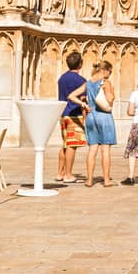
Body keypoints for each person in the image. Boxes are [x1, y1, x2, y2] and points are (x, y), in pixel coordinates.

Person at [83, 59, 117, 188]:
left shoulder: (88, 83)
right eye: (110, 71)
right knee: (105, 149)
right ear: (105, 70)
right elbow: (109, 100)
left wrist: (84, 104)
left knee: (92, 149)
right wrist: (111, 93)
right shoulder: (105, 82)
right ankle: (106, 180)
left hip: (91, 116)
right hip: (104, 117)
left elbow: (73, 95)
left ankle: (89, 179)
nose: (110, 73)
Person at [56, 49, 87, 184]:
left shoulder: (62, 78)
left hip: (63, 114)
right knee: (72, 145)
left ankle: (60, 173)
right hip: (75, 115)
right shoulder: (81, 80)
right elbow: (83, 100)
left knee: (65, 144)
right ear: (80, 64)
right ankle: (68, 174)